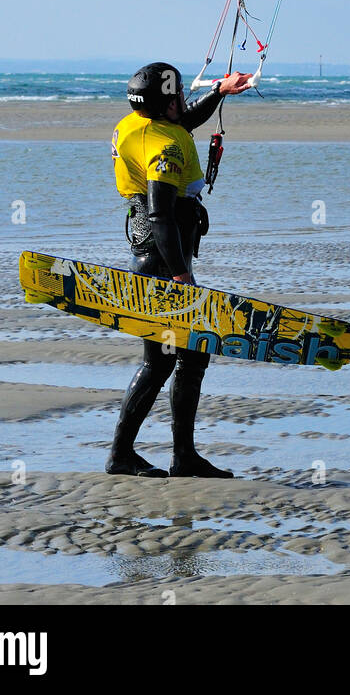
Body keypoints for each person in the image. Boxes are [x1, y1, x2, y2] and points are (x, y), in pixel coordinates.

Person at [106, 61, 251, 478]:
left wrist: (220, 89)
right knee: (161, 360)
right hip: (160, 260)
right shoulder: (164, 146)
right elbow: (161, 215)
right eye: (178, 95)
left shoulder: (136, 123)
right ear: (164, 105)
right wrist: (181, 276)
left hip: (153, 257)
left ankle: (181, 456)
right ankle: (123, 456)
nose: (184, 100)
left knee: (189, 352)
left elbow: (185, 119)